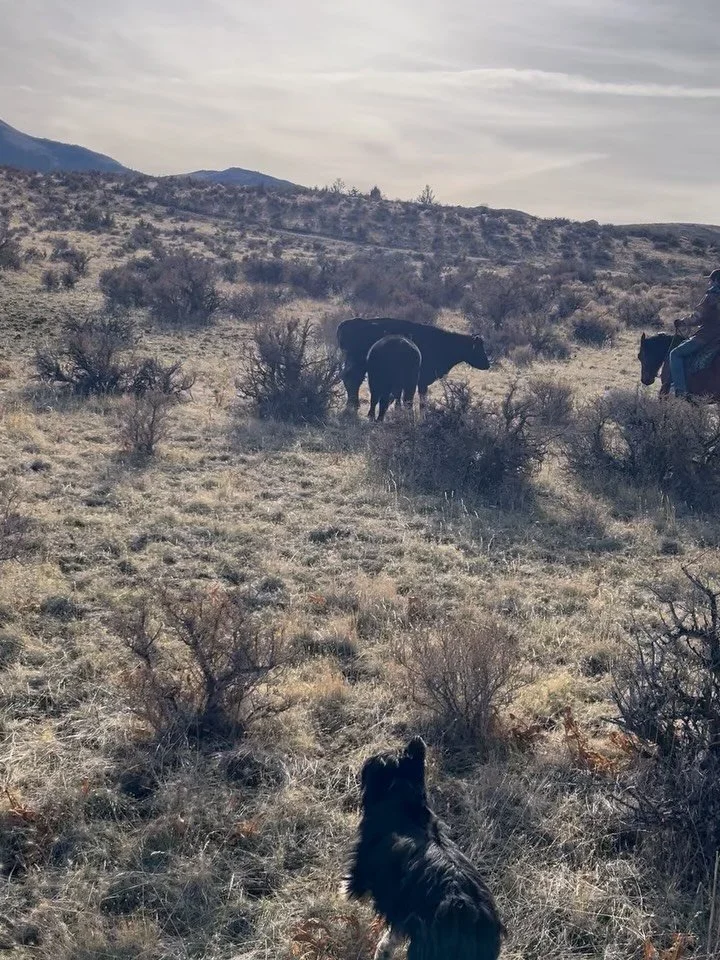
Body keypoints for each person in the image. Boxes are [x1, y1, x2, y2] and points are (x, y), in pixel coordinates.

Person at [669, 268, 720, 396]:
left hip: (707, 336)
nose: (709, 283)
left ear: (715, 281)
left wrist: (683, 322)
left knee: (675, 354)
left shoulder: (712, 295)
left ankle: (681, 391)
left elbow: (698, 317)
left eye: (711, 280)